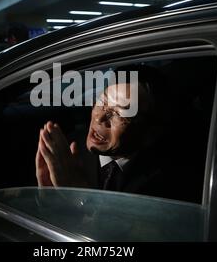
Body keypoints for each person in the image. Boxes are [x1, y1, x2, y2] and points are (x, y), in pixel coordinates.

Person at [35, 65, 186, 199]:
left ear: (151, 133)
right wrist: (47, 201)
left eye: (119, 114)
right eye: (102, 102)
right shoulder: (64, 152)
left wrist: (81, 197)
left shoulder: (168, 179)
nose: (99, 117)